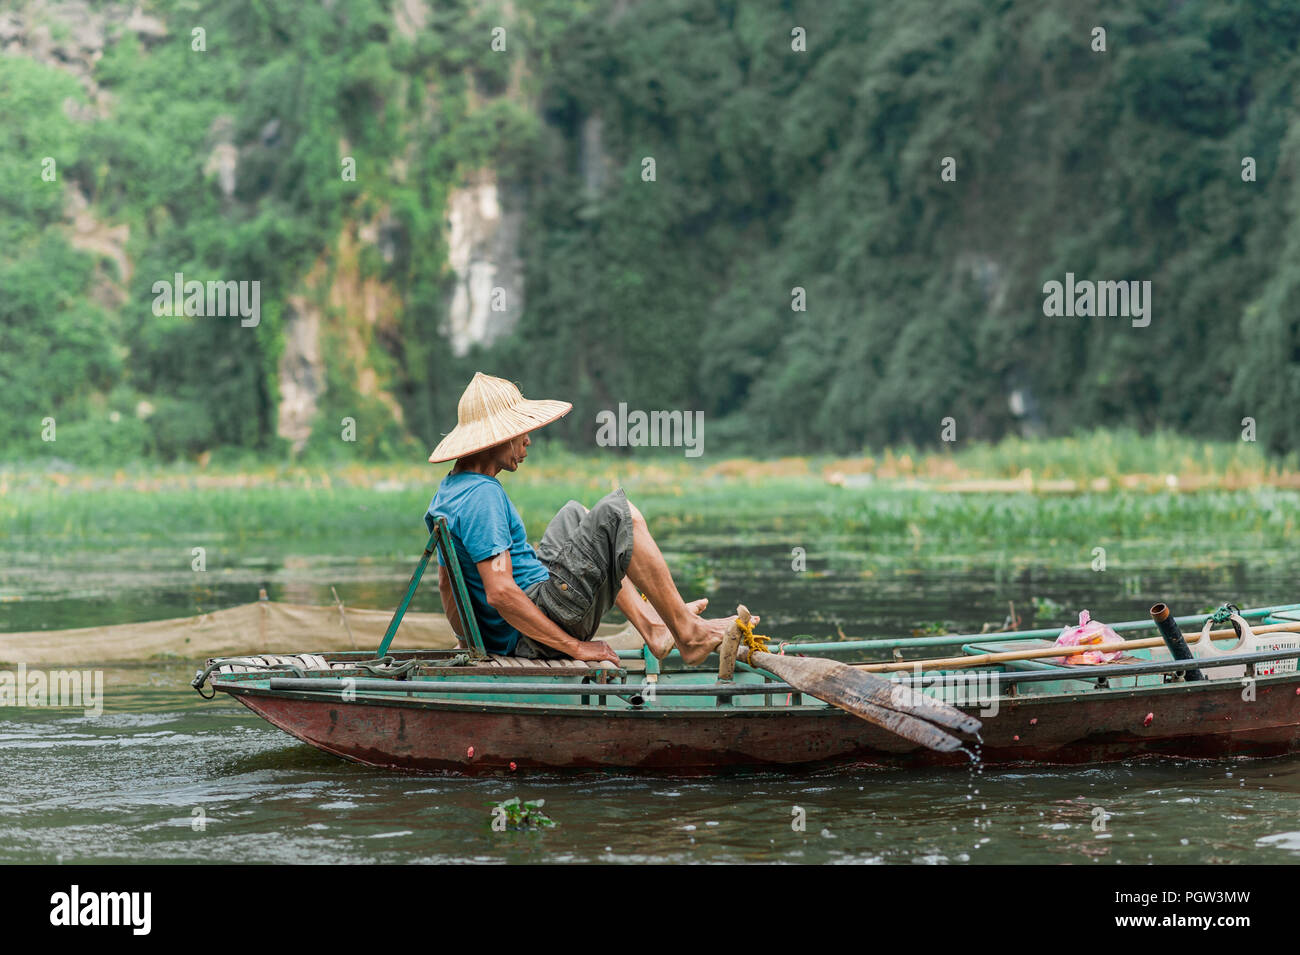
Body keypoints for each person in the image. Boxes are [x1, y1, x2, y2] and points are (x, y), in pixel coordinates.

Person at [425, 372, 747, 665]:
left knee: (575, 514)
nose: (528, 441)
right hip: (533, 631)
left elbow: (446, 584)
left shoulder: (449, 492)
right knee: (619, 516)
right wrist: (575, 648)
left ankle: (654, 625)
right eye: (520, 431)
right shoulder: (483, 496)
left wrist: (469, 641)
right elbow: (500, 592)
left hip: (525, 618)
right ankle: (688, 634)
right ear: (496, 438)